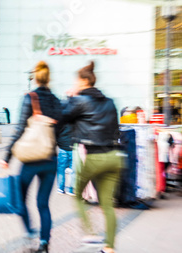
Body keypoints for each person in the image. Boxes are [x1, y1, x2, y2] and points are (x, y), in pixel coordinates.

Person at [0, 61, 62, 253]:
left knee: (20, 198)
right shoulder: (56, 101)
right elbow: (60, 130)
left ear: (35, 77)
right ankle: (44, 243)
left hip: (30, 160)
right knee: (43, 203)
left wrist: (7, 157)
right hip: (50, 158)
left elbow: (19, 129)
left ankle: (29, 230)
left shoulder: (29, 98)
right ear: (49, 78)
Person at [61, 61, 122, 253]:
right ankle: (109, 247)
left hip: (95, 157)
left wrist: (69, 98)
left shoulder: (79, 101)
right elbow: (116, 129)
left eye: (77, 80)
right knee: (107, 204)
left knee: (78, 195)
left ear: (85, 81)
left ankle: (90, 234)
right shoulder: (110, 102)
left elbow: (62, 117)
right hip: (114, 156)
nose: (75, 84)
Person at [56, 122, 74, 196]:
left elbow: (56, 133)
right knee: (72, 170)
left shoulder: (61, 120)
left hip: (63, 147)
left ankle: (60, 188)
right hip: (73, 147)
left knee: (61, 169)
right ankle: (70, 189)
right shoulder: (75, 120)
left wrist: (59, 143)